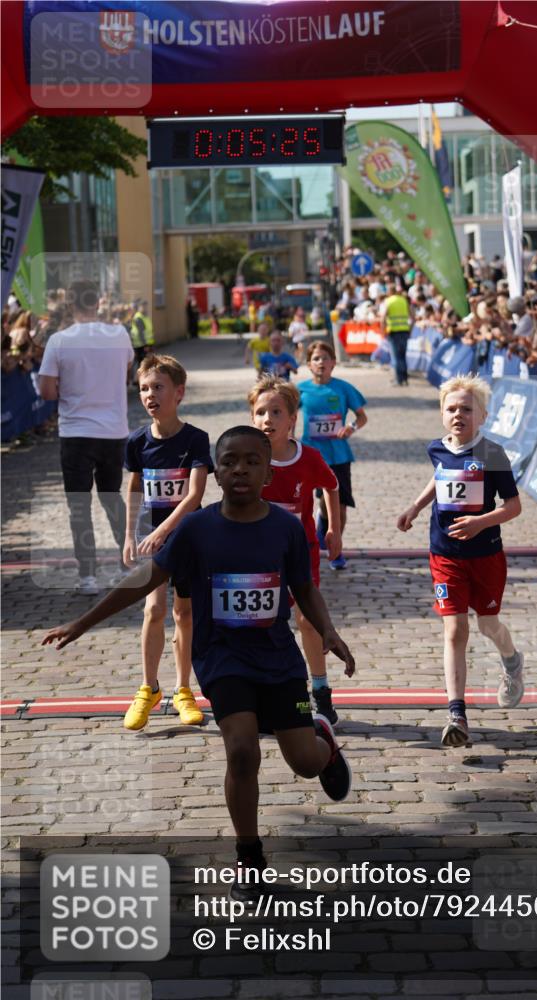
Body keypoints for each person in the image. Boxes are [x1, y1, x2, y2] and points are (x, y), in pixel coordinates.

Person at [43, 425, 355, 896]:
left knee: (304, 763)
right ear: (215, 470)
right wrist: (83, 622)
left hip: (279, 661)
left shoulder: (286, 529)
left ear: (269, 470)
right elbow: (145, 577)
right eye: (229, 460)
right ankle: (249, 856)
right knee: (242, 750)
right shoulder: (197, 528)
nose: (240, 469)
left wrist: (328, 631)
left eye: (252, 460)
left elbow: (304, 587)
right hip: (221, 658)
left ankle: (324, 744)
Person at [397, 374, 524, 747]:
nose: (458, 414)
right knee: (455, 630)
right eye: (451, 408)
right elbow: (439, 478)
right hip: (445, 555)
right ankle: (457, 713)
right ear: (441, 414)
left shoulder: (493, 454)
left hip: (485, 555)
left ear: (482, 415)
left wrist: (480, 522)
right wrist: (415, 507)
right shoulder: (437, 448)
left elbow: (513, 507)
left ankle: (512, 659)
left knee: (488, 626)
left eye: (466, 409)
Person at [123, 354, 214, 731]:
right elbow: (131, 488)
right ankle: (148, 687)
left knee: (184, 614)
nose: (149, 394)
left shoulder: (195, 439)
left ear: (178, 393)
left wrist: (165, 531)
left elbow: (194, 496)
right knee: (152, 611)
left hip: (187, 538)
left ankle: (183, 689)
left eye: (158, 387)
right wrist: (130, 533)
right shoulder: (136, 442)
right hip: (151, 540)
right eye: (144, 388)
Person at [248, 375, 343, 726]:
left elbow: (331, 487)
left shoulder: (309, 457)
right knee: (264, 623)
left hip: (301, 549)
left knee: (308, 618)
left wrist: (333, 529)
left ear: (292, 419)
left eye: (276, 411)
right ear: (252, 419)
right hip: (258, 555)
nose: (267, 419)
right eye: (260, 412)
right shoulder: (250, 457)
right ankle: (268, 693)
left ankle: (321, 692)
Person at [38, 279, 134, 595]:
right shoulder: (120, 335)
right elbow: (127, 372)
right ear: (99, 302)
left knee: (79, 505)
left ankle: (88, 577)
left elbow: (47, 390)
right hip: (113, 431)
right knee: (112, 498)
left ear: (70, 303)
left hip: (77, 432)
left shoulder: (59, 341)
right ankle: (127, 565)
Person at [298, 340, 367, 571]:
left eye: (325, 358)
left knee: (341, 506)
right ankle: (317, 534)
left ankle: (335, 548)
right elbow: (287, 415)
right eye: (316, 359)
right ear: (309, 364)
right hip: (310, 455)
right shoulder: (301, 390)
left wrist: (351, 428)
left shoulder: (344, 388)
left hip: (338, 455)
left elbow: (361, 417)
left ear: (334, 363)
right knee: (316, 501)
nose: (321, 363)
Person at [379, 282, 412, 386]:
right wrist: (410, 329)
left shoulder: (388, 301)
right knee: (403, 356)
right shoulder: (403, 300)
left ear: (389, 292)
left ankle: (399, 380)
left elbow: (383, 317)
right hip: (404, 331)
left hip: (393, 332)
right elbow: (413, 317)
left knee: (396, 357)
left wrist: (383, 330)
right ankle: (405, 378)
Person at [130, 300, 155, 381]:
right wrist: (145, 345)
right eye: (143, 306)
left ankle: (142, 380)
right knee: (142, 364)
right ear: (139, 307)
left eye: (146, 306)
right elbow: (141, 333)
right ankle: (140, 381)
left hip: (148, 344)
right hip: (141, 345)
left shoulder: (145, 316)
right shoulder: (138, 318)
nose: (145, 308)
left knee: (146, 364)